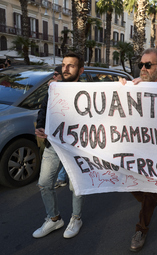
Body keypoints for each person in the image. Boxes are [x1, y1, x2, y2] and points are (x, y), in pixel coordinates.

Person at [33, 52, 85, 239]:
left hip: (77, 147)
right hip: (53, 144)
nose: (65, 68)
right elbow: (43, 110)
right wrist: (40, 126)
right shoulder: (54, 88)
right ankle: (54, 219)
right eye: (64, 64)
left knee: (75, 186)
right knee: (44, 183)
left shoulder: (90, 91)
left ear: (81, 70)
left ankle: (76, 218)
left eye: (71, 65)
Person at [121, 48, 157, 252]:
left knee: (148, 191)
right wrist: (122, 92)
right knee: (129, 184)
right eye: (141, 65)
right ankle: (153, 198)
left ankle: (141, 230)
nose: (143, 69)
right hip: (134, 150)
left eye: (148, 65)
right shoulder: (132, 87)